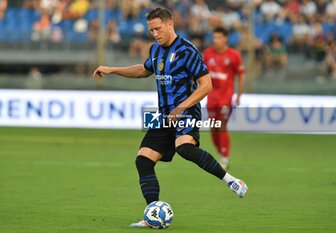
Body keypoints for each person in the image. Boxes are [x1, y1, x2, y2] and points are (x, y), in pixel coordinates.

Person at [93, 7, 248, 228]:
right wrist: (112, 69)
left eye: (158, 29)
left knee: (184, 148)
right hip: (165, 116)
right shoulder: (155, 50)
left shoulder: (186, 50)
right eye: (151, 30)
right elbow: (143, 70)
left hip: (186, 112)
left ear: (169, 24)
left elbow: (207, 85)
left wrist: (181, 108)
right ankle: (153, 213)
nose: (155, 34)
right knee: (143, 160)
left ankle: (231, 180)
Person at [203, 27, 245, 170]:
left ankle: (225, 159)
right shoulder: (208, 53)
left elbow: (241, 75)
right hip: (211, 98)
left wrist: (238, 96)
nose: (216, 40)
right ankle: (222, 153)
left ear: (225, 38)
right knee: (214, 128)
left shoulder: (233, 55)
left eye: (219, 37)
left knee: (222, 126)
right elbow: (202, 73)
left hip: (225, 99)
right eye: (214, 37)